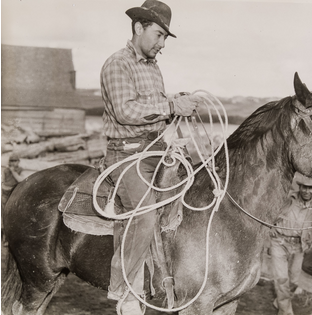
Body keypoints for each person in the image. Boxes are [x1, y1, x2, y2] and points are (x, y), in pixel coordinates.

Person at [100, 1, 202, 314]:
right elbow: (126, 111)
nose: (161, 45)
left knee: (196, 195)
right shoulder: (118, 64)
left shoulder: (152, 67)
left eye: (164, 39)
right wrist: (170, 107)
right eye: (158, 35)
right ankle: (126, 293)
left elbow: (154, 112)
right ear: (138, 27)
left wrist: (176, 103)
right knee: (144, 213)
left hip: (155, 150)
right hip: (126, 155)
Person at [270, 174, 312, 315]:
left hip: (299, 246)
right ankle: (285, 311)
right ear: (300, 187)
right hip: (279, 242)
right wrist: (271, 227)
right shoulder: (287, 198)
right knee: (282, 279)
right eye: (304, 187)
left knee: (293, 279)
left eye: (311, 188)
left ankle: (280, 301)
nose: (307, 191)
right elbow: (271, 211)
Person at [1, 154, 26, 245]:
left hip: (15, 194)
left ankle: (14, 237)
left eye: (15, 161)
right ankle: (5, 238)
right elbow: (3, 180)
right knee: (4, 215)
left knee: (14, 214)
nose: (13, 163)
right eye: (11, 161)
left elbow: (20, 180)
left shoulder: (20, 170)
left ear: (18, 162)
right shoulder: (6, 170)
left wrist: (13, 171)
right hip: (5, 194)